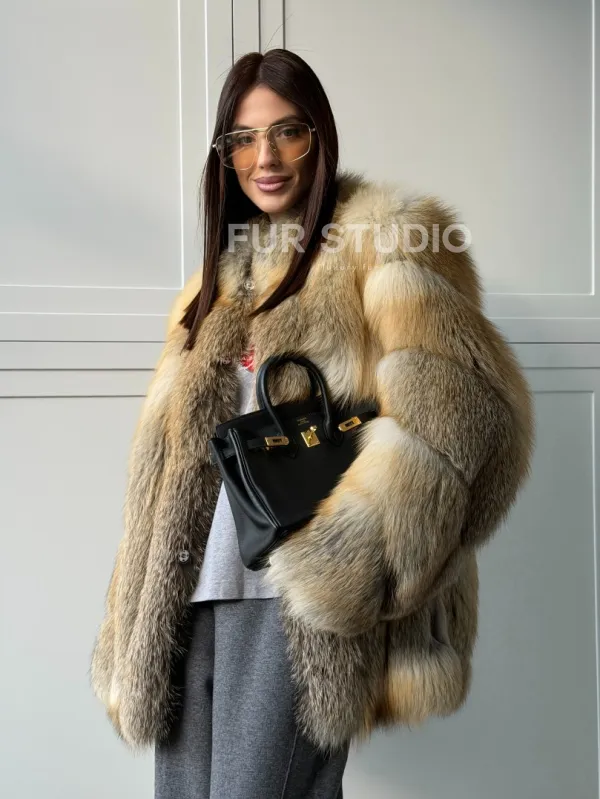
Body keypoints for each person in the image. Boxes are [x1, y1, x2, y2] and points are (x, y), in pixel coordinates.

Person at [90, 48, 535, 799]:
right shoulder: (211, 285)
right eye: (243, 138)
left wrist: (345, 566)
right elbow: (164, 469)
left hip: (291, 607)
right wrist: (131, 617)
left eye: (287, 132)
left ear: (318, 136)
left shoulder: (389, 241)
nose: (264, 158)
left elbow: (470, 418)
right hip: (186, 597)